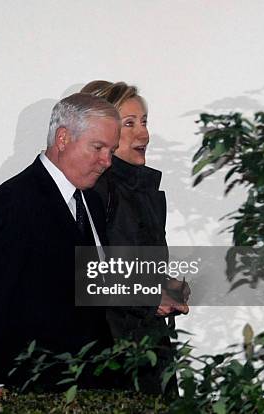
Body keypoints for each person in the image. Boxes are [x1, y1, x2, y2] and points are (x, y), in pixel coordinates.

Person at [0, 93, 121, 397]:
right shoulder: (12, 204)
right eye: (98, 148)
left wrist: (151, 289)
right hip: (32, 388)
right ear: (62, 138)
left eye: (111, 150)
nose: (107, 161)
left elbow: (89, 280)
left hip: (89, 386)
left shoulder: (92, 203)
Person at [80, 80, 189, 396]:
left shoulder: (136, 189)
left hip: (146, 350)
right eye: (129, 124)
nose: (144, 134)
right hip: (115, 362)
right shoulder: (97, 192)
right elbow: (84, 274)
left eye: (144, 122)